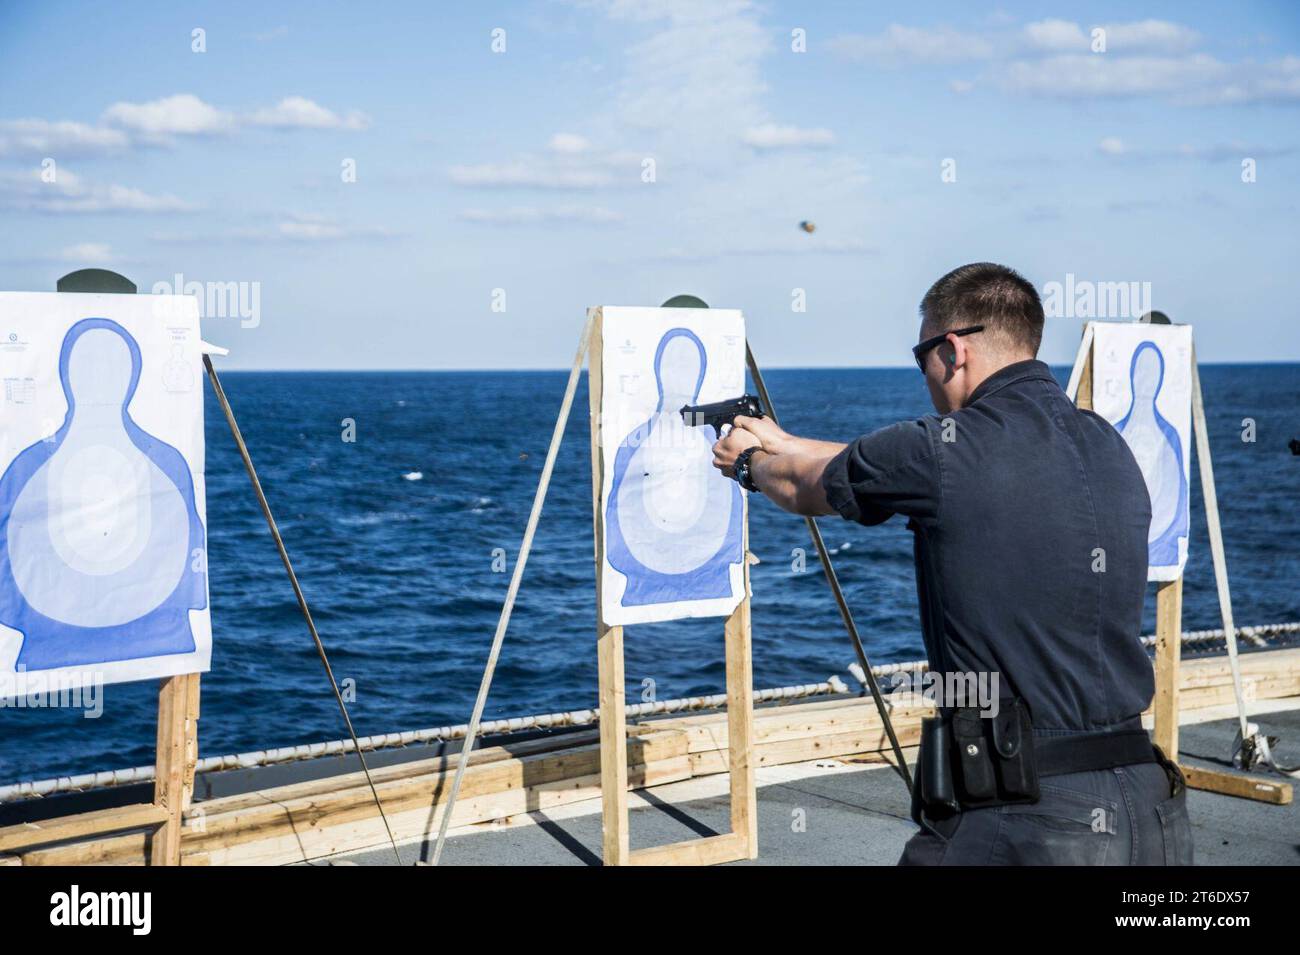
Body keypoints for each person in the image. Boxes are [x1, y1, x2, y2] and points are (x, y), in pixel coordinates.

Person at [711, 262, 1194, 865]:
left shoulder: (938, 451)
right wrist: (783, 441)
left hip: (1024, 817)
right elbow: (888, 467)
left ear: (953, 350)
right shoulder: (1107, 443)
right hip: (1150, 807)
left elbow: (804, 489)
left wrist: (748, 463)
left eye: (922, 358)